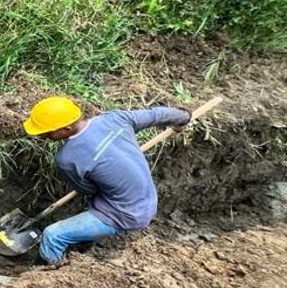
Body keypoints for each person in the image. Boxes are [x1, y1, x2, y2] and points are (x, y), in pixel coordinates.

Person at [20, 95, 191, 266]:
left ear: (66, 129)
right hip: (147, 201)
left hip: (125, 213)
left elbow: (88, 190)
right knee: (90, 207)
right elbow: (155, 115)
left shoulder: (67, 158)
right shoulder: (115, 118)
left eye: (47, 132)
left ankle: (41, 276)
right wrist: (183, 117)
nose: (42, 136)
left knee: (53, 235)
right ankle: (83, 243)